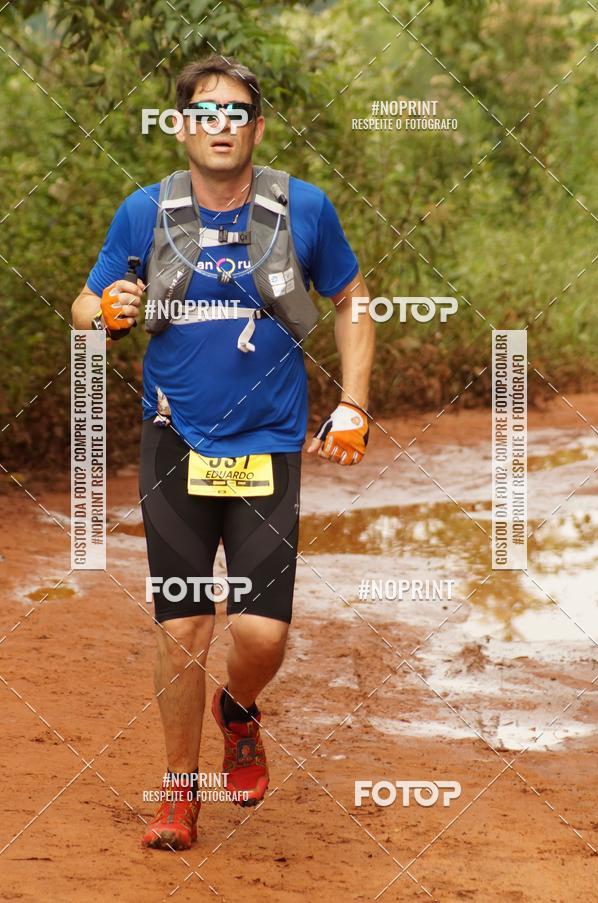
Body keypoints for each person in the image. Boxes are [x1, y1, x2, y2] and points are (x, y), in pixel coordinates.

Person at [71, 55, 375, 851]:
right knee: (182, 629)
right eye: (204, 112)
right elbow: (84, 302)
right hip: (174, 443)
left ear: (258, 128)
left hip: (269, 448)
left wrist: (353, 400)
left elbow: (353, 301)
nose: (220, 125)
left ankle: (238, 710)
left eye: (236, 112)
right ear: (181, 126)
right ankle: (179, 794)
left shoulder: (302, 209)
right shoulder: (145, 212)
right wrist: (104, 308)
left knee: (260, 636)